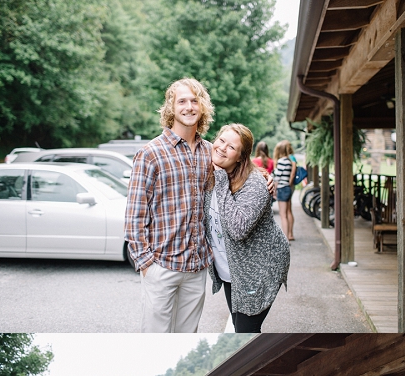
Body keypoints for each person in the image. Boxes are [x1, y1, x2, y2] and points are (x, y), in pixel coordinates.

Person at [125, 78, 216, 333]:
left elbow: (238, 175)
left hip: (196, 267)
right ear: (171, 108)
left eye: (195, 100)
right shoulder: (150, 153)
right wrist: (146, 265)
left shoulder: (210, 152)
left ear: (203, 107)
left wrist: (265, 180)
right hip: (161, 267)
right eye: (182, 101)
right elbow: (134, 216)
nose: (189, 107)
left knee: (188, 337)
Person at [204, 124, 290, 333]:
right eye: (221, 141)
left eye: (232, 147)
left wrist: (223, 180)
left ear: (241, 157)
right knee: (238, 327)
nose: (223, 148)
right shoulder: (210, 172)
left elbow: (237, 229)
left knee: (245, 332)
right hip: (231, 269)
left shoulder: (255, 184)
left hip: (258, 269)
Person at [272, 141, 297, 241]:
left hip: (282, 189)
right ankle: (290, 234)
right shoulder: (289, 161)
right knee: (288, 212)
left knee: (283, 216)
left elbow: (277, 177)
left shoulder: (281, 161)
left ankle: (285, 239)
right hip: (288, 188)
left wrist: (274, 190)